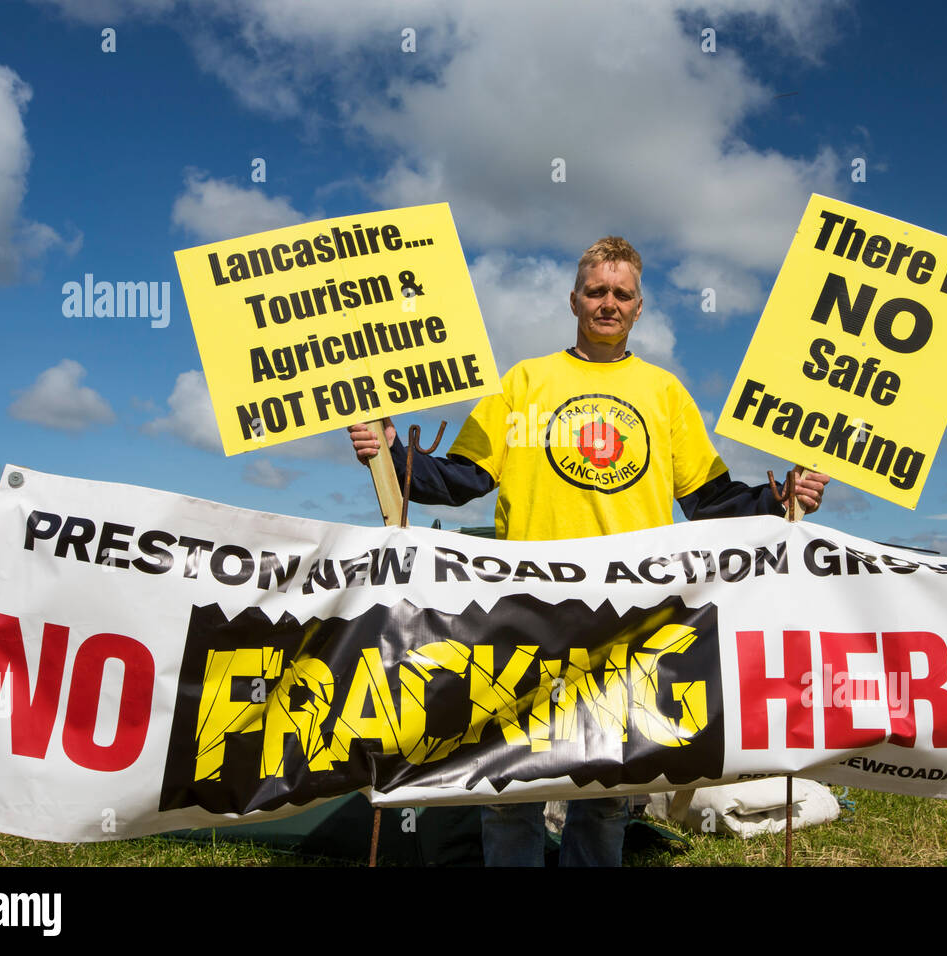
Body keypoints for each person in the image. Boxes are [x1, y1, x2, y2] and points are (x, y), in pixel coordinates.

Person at [350, 236, 828, 866]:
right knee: (510, 780)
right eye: (596, 291)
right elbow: (462, 480)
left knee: (606, 788)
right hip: (522, 612)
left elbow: (710, 500)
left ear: (639, 307)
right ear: (574, 298)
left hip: (628, 617)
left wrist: (780, 497)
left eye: (621, 293)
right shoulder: (523, 382)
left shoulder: (665, 393)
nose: (608, 302)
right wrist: (393, 453)